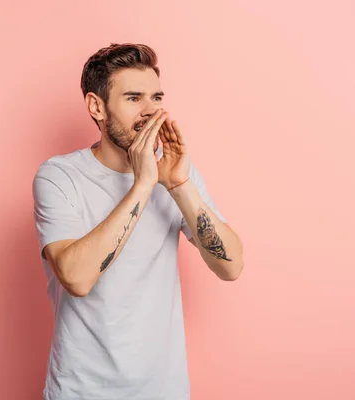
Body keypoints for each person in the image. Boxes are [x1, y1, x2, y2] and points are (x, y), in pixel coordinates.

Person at [32, 43, 244, 400]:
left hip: (165, 390)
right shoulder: (59, 176)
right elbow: (78, 278)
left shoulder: (176, 175)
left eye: (156, 97)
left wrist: (178, 184)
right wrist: (143, 183)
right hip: (82, 390)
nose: (151, 111)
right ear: (96, 107)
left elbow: (231, 266)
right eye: (134, 98)